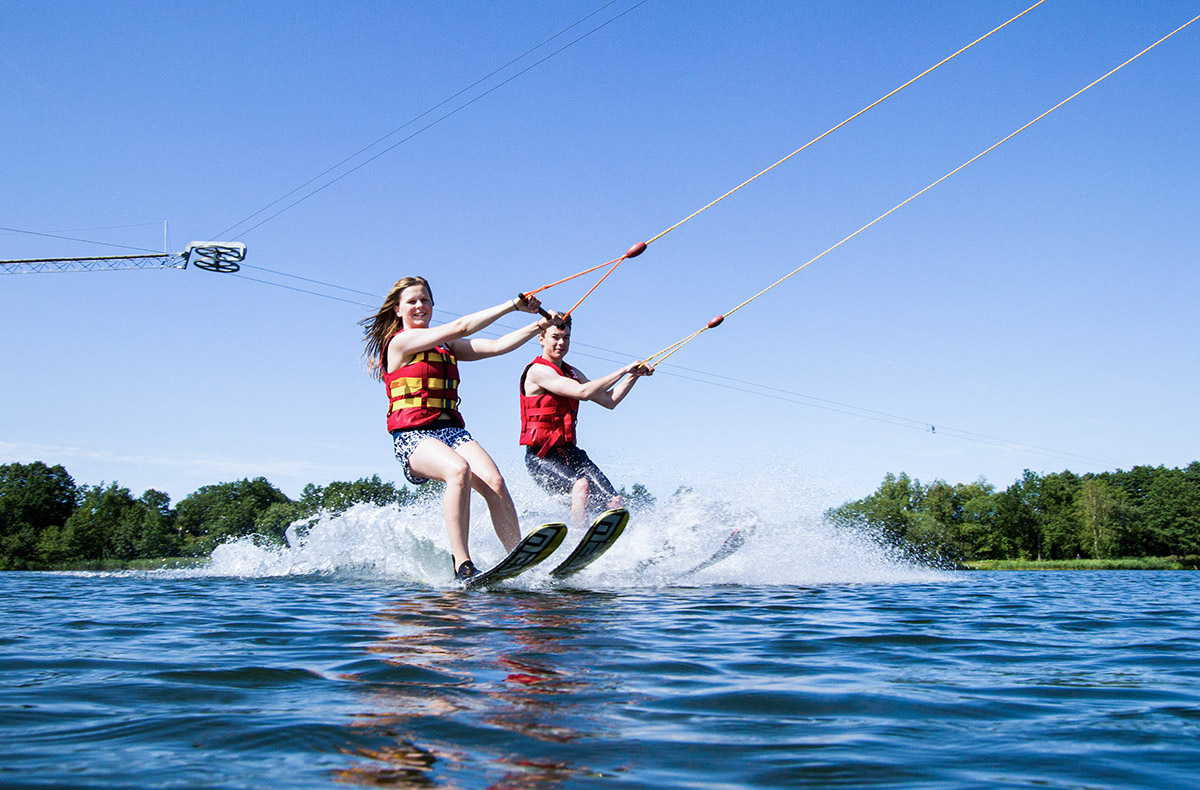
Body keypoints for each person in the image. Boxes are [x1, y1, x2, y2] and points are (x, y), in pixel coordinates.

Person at [361, 276, 553, 583]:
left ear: (433, 305)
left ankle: (518, 555)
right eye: (411, 301)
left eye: (424, 300)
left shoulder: (445, 345)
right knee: (459, 470)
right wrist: (512, 306)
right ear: (398, 310)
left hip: (451, 432)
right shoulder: (399, 343)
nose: (419, 306)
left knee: (494, 481)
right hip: (412, 437)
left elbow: (496, 346)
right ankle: (462, 564)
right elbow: (462, 325)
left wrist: (539, 327)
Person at [519, 314, 653, 527]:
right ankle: (576, 543)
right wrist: (623, 369)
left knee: (614, 502)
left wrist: (633, 376)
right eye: (555, 337)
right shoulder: (537, 371)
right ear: (541, 338)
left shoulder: (572, 372)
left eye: (566, 338)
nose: (561, 343)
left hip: (571, 454)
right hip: (542, 458)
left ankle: (627, 547)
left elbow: (609, 400)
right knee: (580, 487)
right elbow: (582, 392)